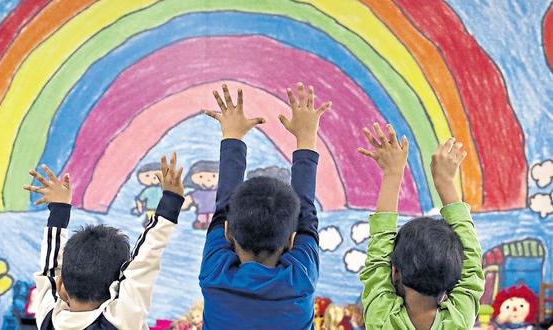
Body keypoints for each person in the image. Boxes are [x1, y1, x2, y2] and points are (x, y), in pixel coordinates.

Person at [200, 83, 331, 328]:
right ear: (291, 241)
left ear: (228, 233)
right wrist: (305, 137)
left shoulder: (214, 275)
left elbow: (306, 217)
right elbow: (223, 211)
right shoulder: (300, 280)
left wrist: (233, 137)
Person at [23, 153, 185, 329]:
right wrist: (172, 200)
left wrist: (59, 209)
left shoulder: (49, 319)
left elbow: (50, 271)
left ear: (62, 287)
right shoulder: (120, 321)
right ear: (118, 288)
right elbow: (144, 260)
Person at [357, 124, 485, 329]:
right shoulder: (459, 319)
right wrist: (445, 182)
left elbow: (471, 262)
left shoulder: (381, 319)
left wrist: (392, 173)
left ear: (395, 272)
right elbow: (471, 262)